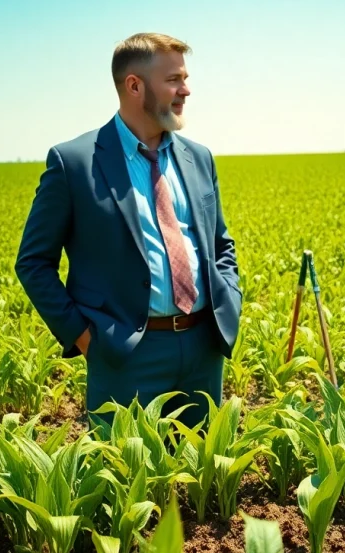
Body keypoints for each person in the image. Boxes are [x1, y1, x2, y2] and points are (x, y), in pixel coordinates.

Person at [15, 32, 242, 431]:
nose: (185, 90)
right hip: (126, 354)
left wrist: (230, 302)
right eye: (173, 79)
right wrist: (84, 338)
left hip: (204, 346)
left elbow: (220, 244)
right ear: (135, 86)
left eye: (185, 78)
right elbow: (33, 262)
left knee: (202, 468)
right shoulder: (74, 162)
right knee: (125, 467)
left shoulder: (199, 157)